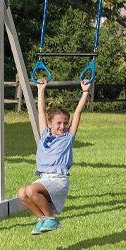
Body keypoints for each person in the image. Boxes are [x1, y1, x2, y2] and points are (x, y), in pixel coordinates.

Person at [16, 78, 91, 235]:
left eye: (65, 123)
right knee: (22, 193)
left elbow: (78, 112)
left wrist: (85, 92)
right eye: (58, 123)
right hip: (44, 178)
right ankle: (43, 219)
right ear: (50, 124)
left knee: (30, 189)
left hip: (58, 180)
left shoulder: (68, 137)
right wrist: (41, 90)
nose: (62, 126)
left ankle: (52, 218)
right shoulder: (44, 135)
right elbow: (42, 112)